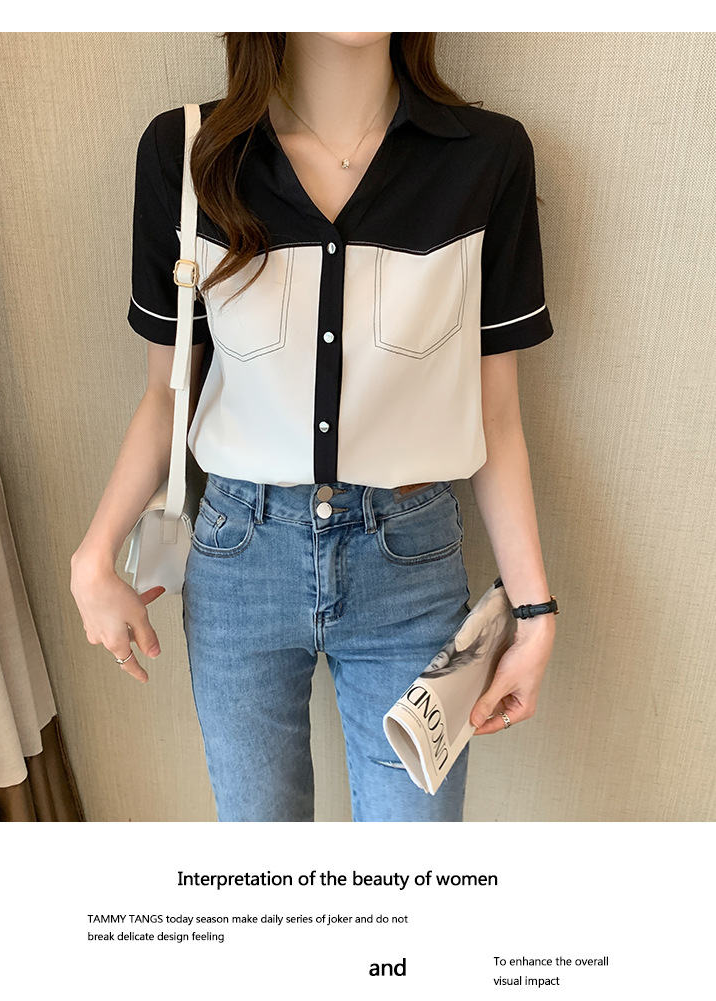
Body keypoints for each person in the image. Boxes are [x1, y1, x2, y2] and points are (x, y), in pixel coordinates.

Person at [70, 32, 557, 822]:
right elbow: (166, 393)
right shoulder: (185, 153)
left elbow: (496, 413)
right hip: (239, 557)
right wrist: (95, 555)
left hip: (410, 561)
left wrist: (535, 613)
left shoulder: (487, 158)